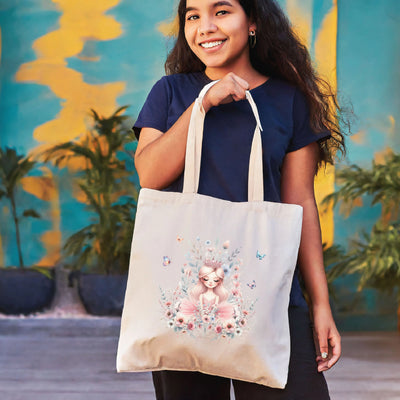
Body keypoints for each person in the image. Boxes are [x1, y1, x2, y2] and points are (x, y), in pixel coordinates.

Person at [133, 0, 347, 398]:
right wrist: (204, 102)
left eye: (221, 11)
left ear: (253, 22)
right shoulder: (171, 92)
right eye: (193, 16)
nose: (205, 26)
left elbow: (299, 204)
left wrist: (320, 305)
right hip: (185, 298)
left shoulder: (289, 100)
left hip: (271, 296)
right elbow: (149, 173)